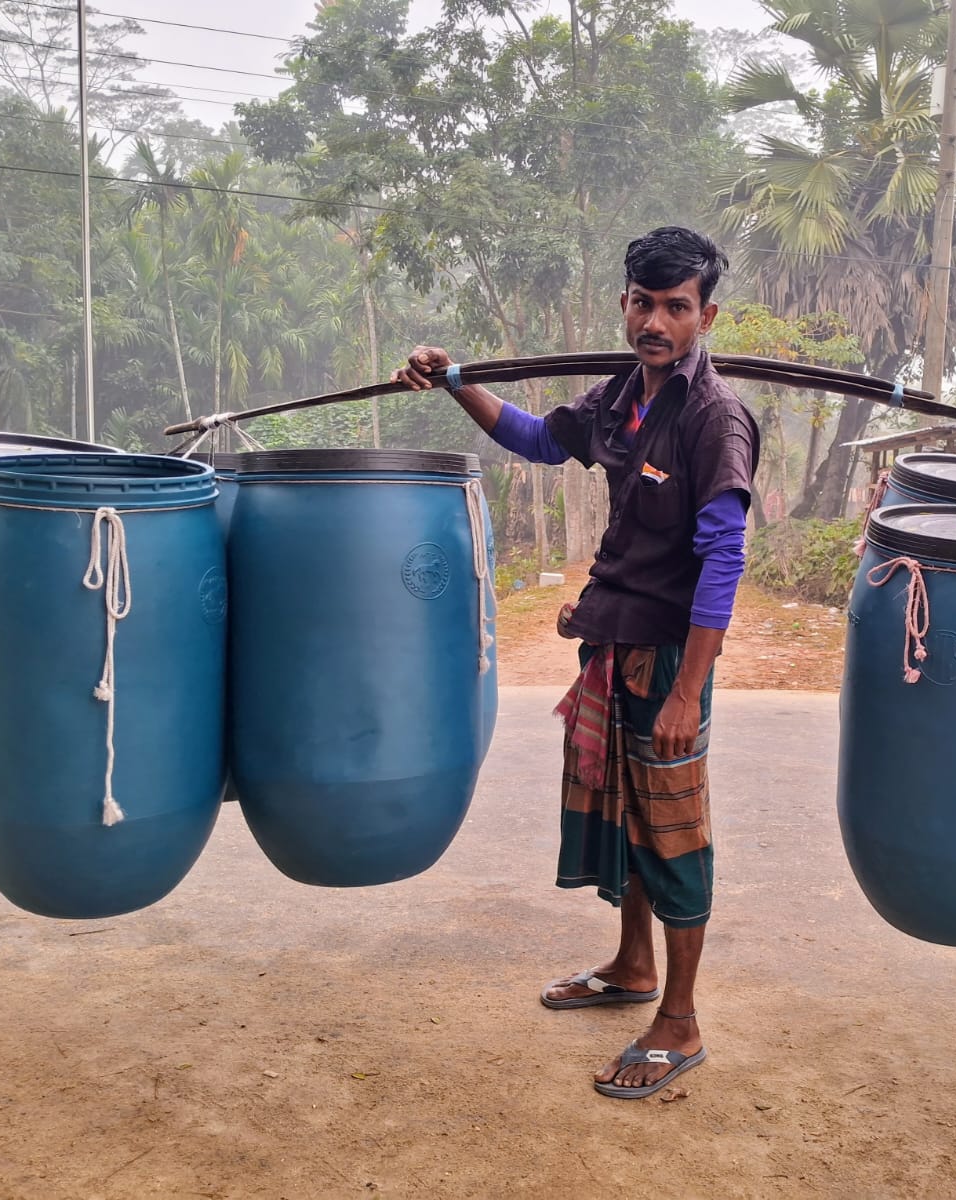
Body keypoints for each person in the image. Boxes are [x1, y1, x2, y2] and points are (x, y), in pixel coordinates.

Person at [394, 226, 759, 1100]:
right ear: (624, 304)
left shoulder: (714, 417)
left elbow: (724, 557)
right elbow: (535, 439)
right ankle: (633, 966)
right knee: (627, 818)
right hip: (613, 643)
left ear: (706, 316)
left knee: (672, 833)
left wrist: (687, 691)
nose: (656, 322)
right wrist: (455, 381)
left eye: (677, 307)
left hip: (667, 661)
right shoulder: (620, 398)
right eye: (644, 303)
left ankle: (679, 1020)